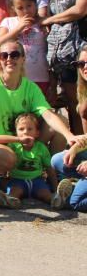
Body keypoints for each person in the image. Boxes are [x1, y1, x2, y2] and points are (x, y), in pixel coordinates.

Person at [0, 40, 80, 157]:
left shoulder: (31, 87)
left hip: (25, 143)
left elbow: (48, 114)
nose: (9, 59)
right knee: (6, 158)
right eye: (4, 56)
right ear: (0, 60)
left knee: (61, 122)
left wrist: (69, 136)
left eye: (15, 55)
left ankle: (51, 167)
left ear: (23, 58)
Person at [41, 0, 87, 133]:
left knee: (85, 105)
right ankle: (80, 147)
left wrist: (49, 19)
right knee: (73, 104)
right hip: (64, 59)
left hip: (83, 53)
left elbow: (80, 10)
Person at [0, 113, 57, 208]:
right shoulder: (14, 146)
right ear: (16, 132)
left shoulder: (41, 148)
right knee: (15, 191)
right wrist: (18, 139)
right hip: (17, 181)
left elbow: (49, 168)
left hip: (37, 180)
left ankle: (56, 200)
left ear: (37, 133)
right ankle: (10, 201)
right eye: (21, 129)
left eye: (30, 129)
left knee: (45, 194)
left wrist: (55, 187)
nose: (25, 132)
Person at [51, 49, 87, 211]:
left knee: (76, 202)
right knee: (60, 160)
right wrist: (75, 148)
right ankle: (75, 186)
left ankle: (73, 190)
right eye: (80, 64)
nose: (84, 67)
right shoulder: (83, 97)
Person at [0, 0, 49, 94]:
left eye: (29, 5)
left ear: (35, 4)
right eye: (20, 8)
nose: (26, 10)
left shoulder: (42, 23)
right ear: (14, 9)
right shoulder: (9, 22)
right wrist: (19, 28)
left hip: (41, 76)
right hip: (16, 78)